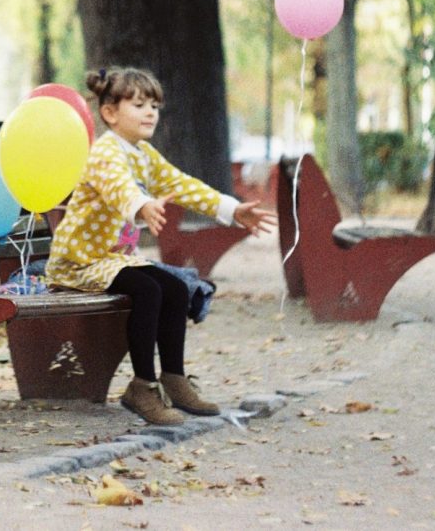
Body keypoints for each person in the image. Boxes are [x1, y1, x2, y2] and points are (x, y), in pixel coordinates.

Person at [45, 67, 277, 425]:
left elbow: (183, 185)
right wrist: (141, 205)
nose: (150, 112)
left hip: (114, 259)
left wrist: (231, 209)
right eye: (139, 104)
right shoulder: (105, 152)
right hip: (80, 261)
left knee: (174, 287)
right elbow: (120, 187)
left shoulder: (144, 154)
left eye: (154, 104)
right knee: (149, 290)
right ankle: (142, 386)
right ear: (110, 113)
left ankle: (174, 378)